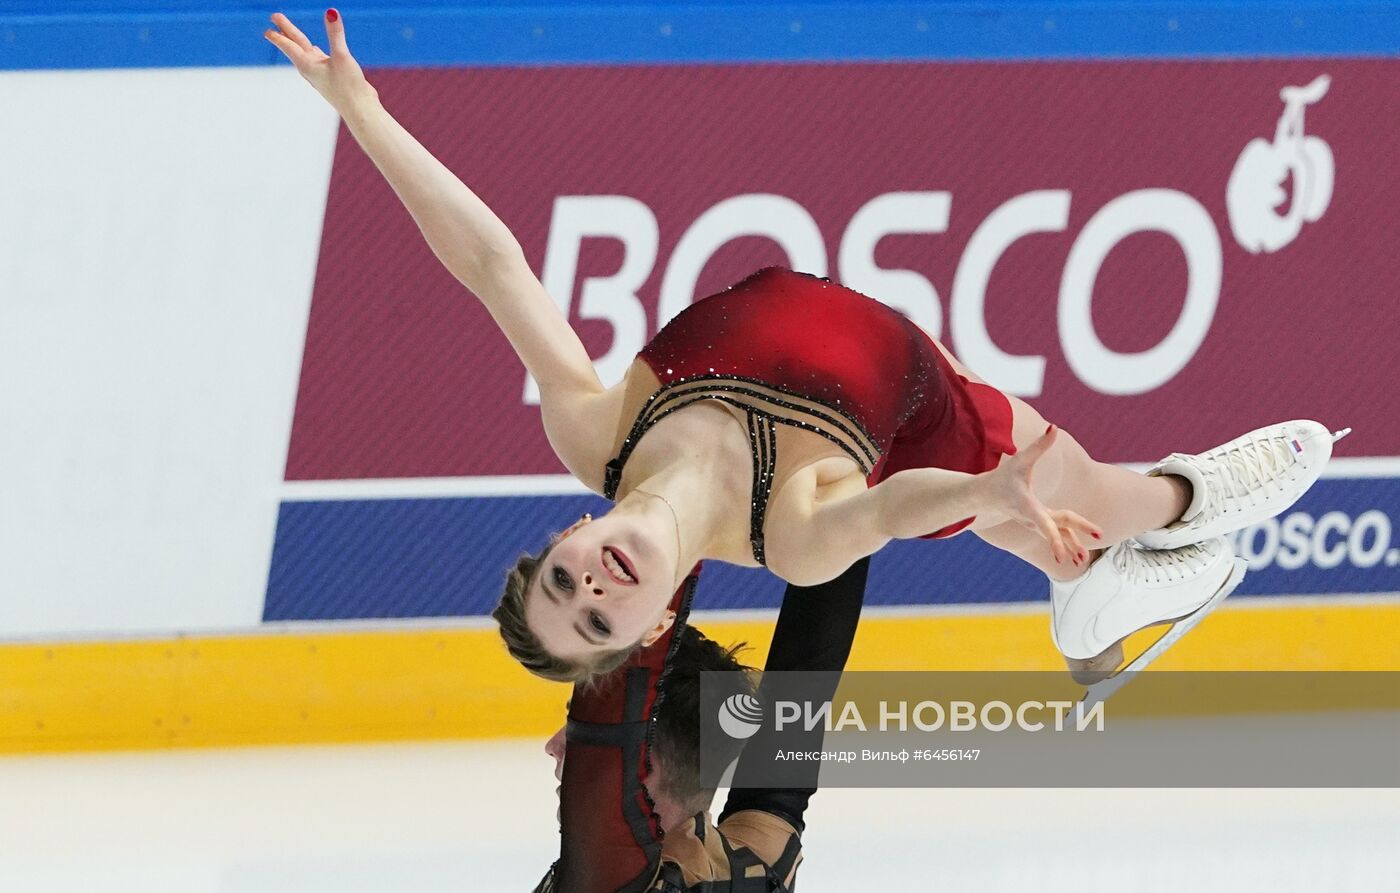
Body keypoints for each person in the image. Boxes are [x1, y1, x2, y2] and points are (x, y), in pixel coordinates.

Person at [265, 11, 1342, 687]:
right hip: (927, 414)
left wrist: (362, 113)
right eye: (597, 615)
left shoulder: (592, 428)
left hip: (878, 342)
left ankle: (1091, 597)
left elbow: (493, 266)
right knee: (1101, 497)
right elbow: (891, 507)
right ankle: (1186, 495)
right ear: (644, 629)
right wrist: (1000, 485)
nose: (594, 581)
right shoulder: (788, 540)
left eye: (562, 575)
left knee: (1061, 536)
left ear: (571, 530)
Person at [536, 559, 871, 893]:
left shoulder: (610, 877)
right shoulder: (762, 866)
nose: (554, 745)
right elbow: (806, 672)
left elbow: (627, 684)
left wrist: (677, 527)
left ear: (640, 765)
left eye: (578, 728)